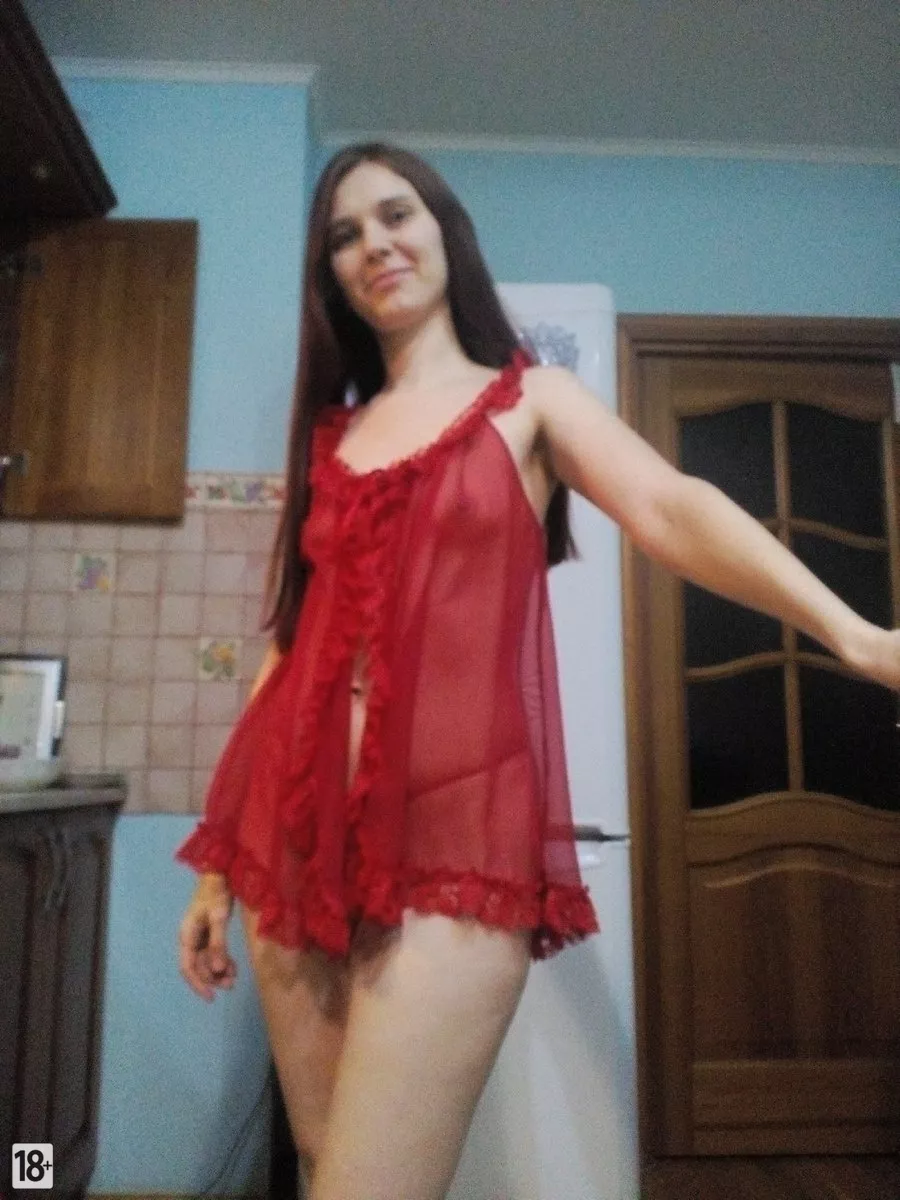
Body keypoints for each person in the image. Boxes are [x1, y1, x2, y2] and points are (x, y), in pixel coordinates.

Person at [175, 141, 900, 1200]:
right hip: (288, 837)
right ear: (329, 273)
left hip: (452, 844)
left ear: (445, 231)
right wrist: (214, 870)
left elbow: (671, 508)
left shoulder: (533, 402)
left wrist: (857, 635)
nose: (375, 244)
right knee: (324, 1162)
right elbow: (290, 645)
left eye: (396, 215)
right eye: (344, 235)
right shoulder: (331, 437)